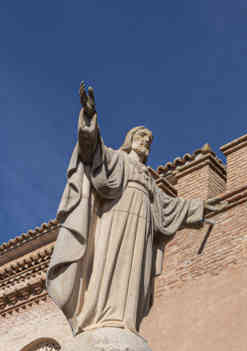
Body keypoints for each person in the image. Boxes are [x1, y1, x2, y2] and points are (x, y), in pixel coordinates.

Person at [46, 83, 218, 334]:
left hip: (142, 229)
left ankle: (125, 321)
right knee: (109, 264)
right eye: (141, 137)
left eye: (149, 140)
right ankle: (100, 318)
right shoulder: (117, 159)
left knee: (134, 273)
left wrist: (199, 207)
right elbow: (91, 149)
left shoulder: (149, 179)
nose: (146, 142)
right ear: (130, 140)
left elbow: (168, 207)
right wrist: (90, 116)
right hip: (115, 219)